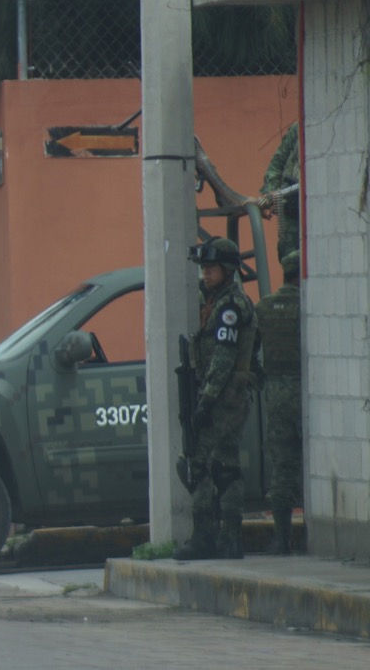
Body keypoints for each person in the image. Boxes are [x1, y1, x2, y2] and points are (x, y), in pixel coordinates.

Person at [174, 237, 259, 560]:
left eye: (211, 268)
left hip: (224, 396)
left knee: (198, 461)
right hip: (230, 394)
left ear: (227, 270)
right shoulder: (219, 301)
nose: (205, 274)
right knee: (226, 464)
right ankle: (231, 539)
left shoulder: (229, 308)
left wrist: (206, 401)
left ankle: (205, 537)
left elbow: (223, 358)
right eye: (204, 268)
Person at [255, 250, 303, 555]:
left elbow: (247, 351)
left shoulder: (264, 307)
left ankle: (282, 538)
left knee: (283, 465)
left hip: (276, 392)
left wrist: (264, 379)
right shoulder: (308, 305)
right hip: (306, 391)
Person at [250, 122, 300, 264]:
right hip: (290, 211)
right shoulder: (299, 127)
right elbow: (277, 164)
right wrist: (271, 196)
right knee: (289, 262)